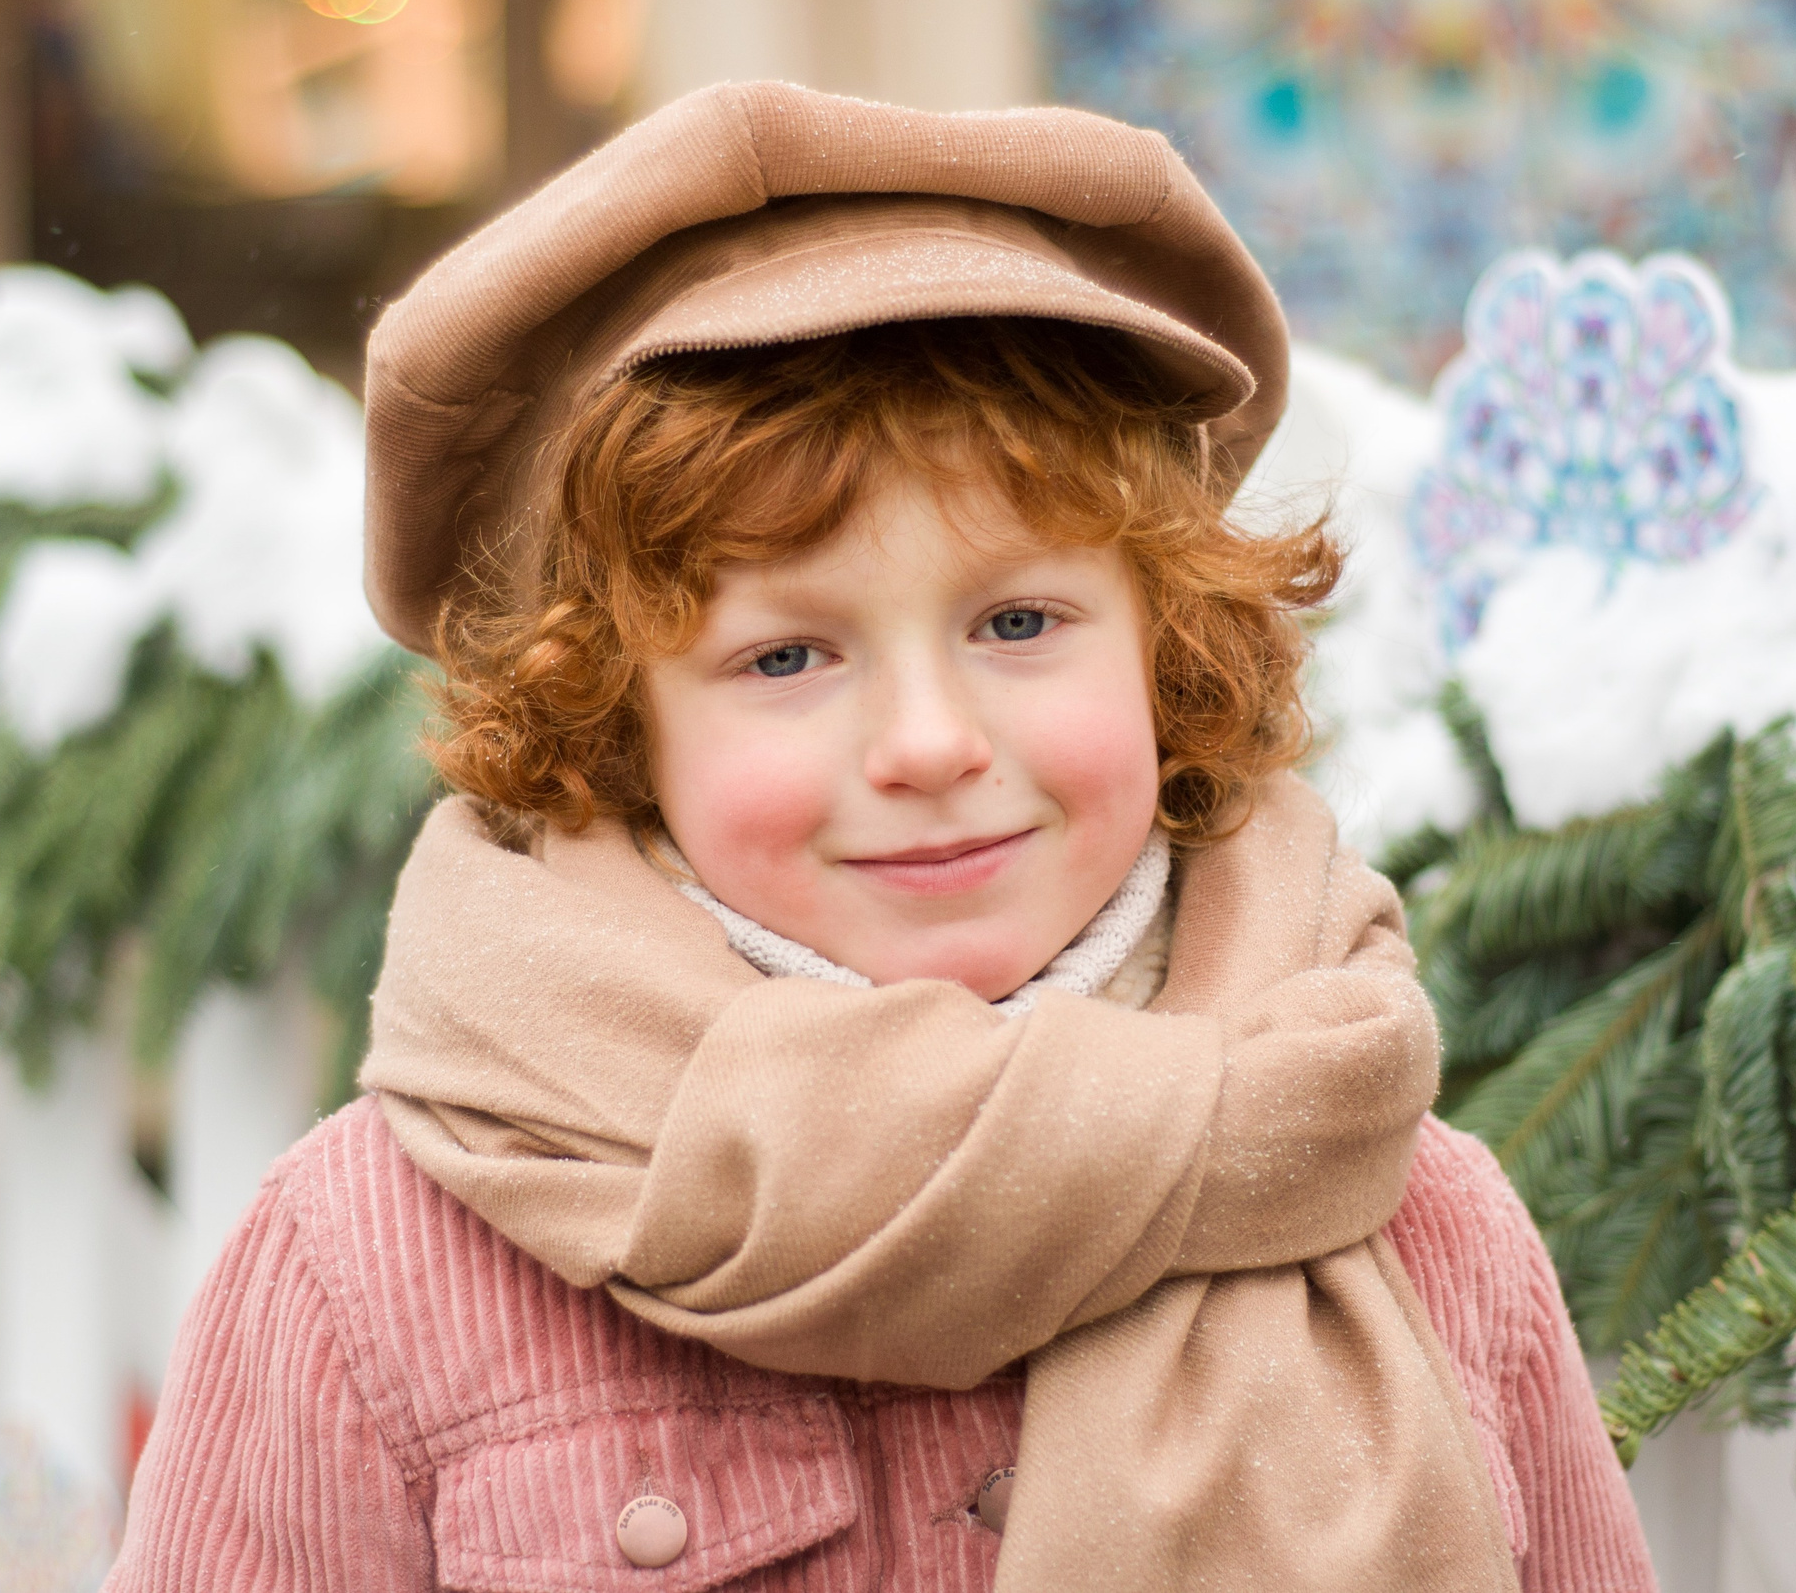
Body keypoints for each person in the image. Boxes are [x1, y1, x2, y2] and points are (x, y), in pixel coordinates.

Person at [106, 82, 1654, 1593]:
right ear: (616, 727)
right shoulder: (376, 1264)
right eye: (787, 656)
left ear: (1166, 647)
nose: (928, 744)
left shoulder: (1409, 1215)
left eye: (1019, 621)